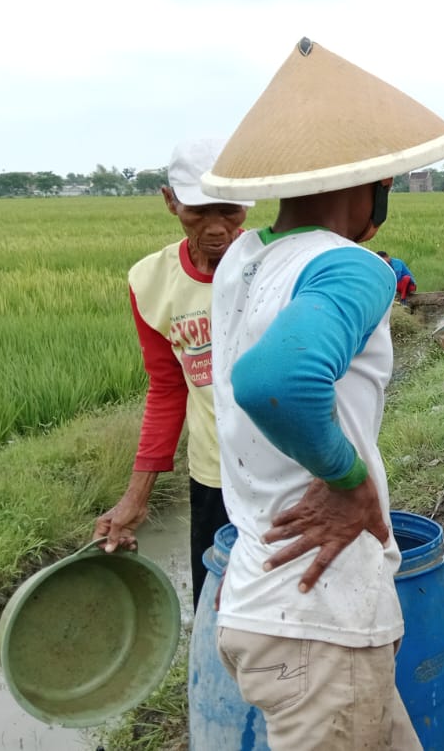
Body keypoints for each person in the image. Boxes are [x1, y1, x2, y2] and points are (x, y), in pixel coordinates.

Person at [202, 37, 444, 751]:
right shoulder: (350, 267)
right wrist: (348, 481)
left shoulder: (245, 259)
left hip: (268, 600)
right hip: (319, 624)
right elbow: (273, 383)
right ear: (366, 188)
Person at [92, 138, 253, 606]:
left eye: (230, 211)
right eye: (198, 212)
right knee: (216, 605)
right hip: (214, 475)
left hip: (288, 473)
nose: (217, 228)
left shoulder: (275, 265)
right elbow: (167, 389)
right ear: (170, 201)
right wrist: (135, 497)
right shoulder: (151, 281)